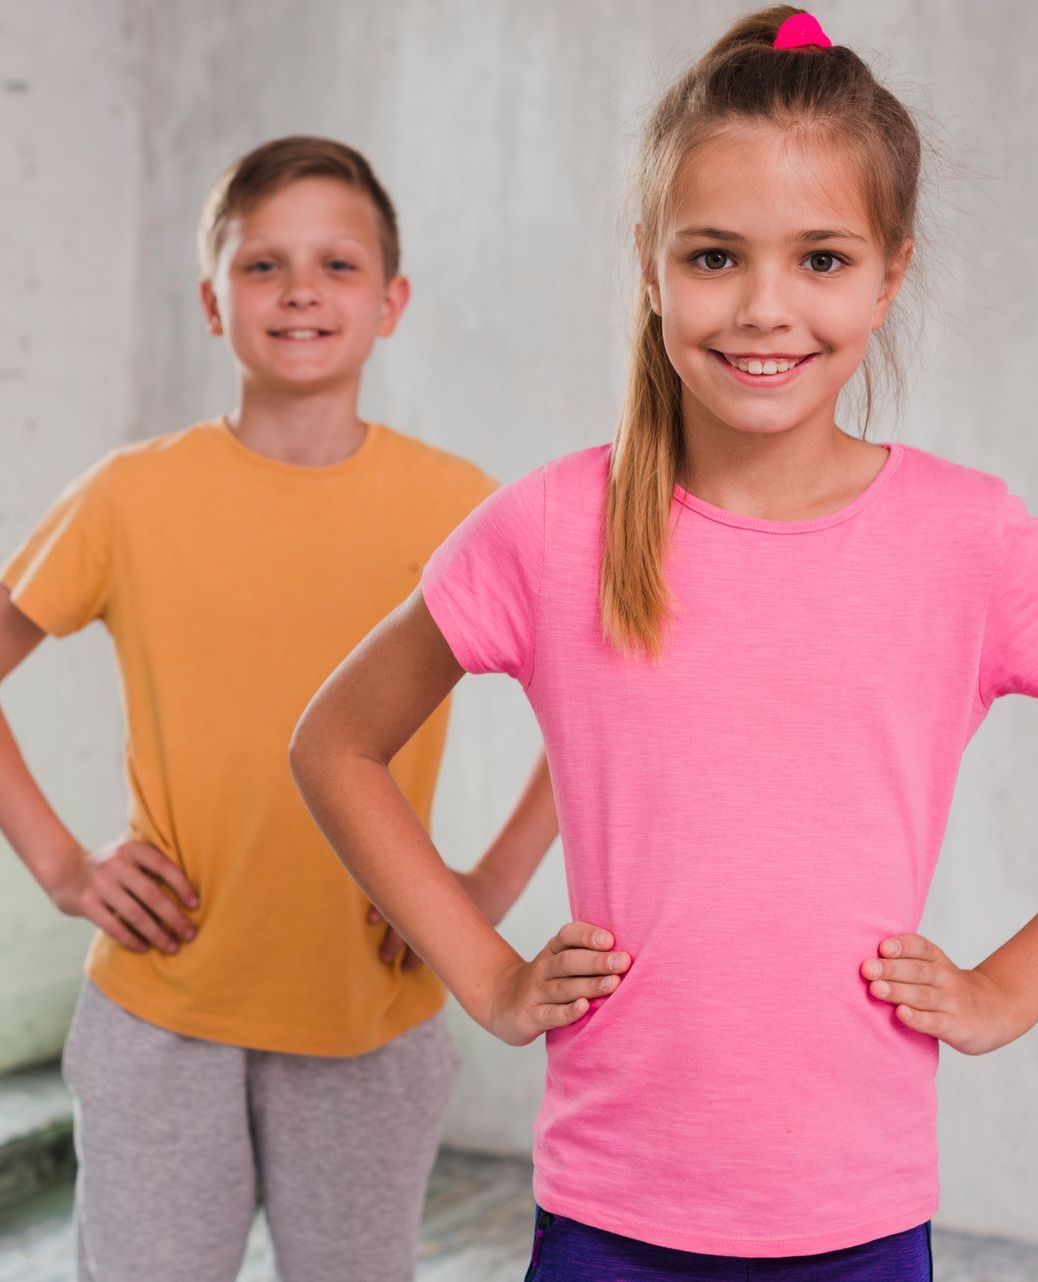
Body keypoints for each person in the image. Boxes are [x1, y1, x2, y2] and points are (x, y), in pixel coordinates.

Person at [289, 10, 1038, 1281]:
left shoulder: (970, 537)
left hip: (861, 1217)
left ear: (890, 273)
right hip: (609, 1218)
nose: (763, 308)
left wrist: (1005, 991)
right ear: (649, 264)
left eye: (820, 258)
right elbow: (336, 742)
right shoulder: (549, 525)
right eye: (713, 256)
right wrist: (490, 978)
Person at [0, 135, 560, 1282]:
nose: (301, 288)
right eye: (263, 265)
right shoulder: (127, 498)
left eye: (338, 264)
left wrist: (484, 889)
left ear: (391, 302)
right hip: (161, 1007)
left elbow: (603, 711)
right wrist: (61, 865)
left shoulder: (460, 510)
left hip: (373, 1011)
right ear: (212, 302)